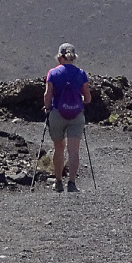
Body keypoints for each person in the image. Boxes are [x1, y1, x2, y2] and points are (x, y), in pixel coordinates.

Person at [43, 43, 91, 192]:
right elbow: (88, 98)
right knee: (73, 150)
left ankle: (58, 182)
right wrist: (80, 102)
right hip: (76, 115)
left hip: (57, 113)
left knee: (59, 148)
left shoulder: (53, 73)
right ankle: (72, 183)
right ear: (73, 57)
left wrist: (47, 107)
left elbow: (47, 95)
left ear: (60, 57)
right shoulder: (81, 74)